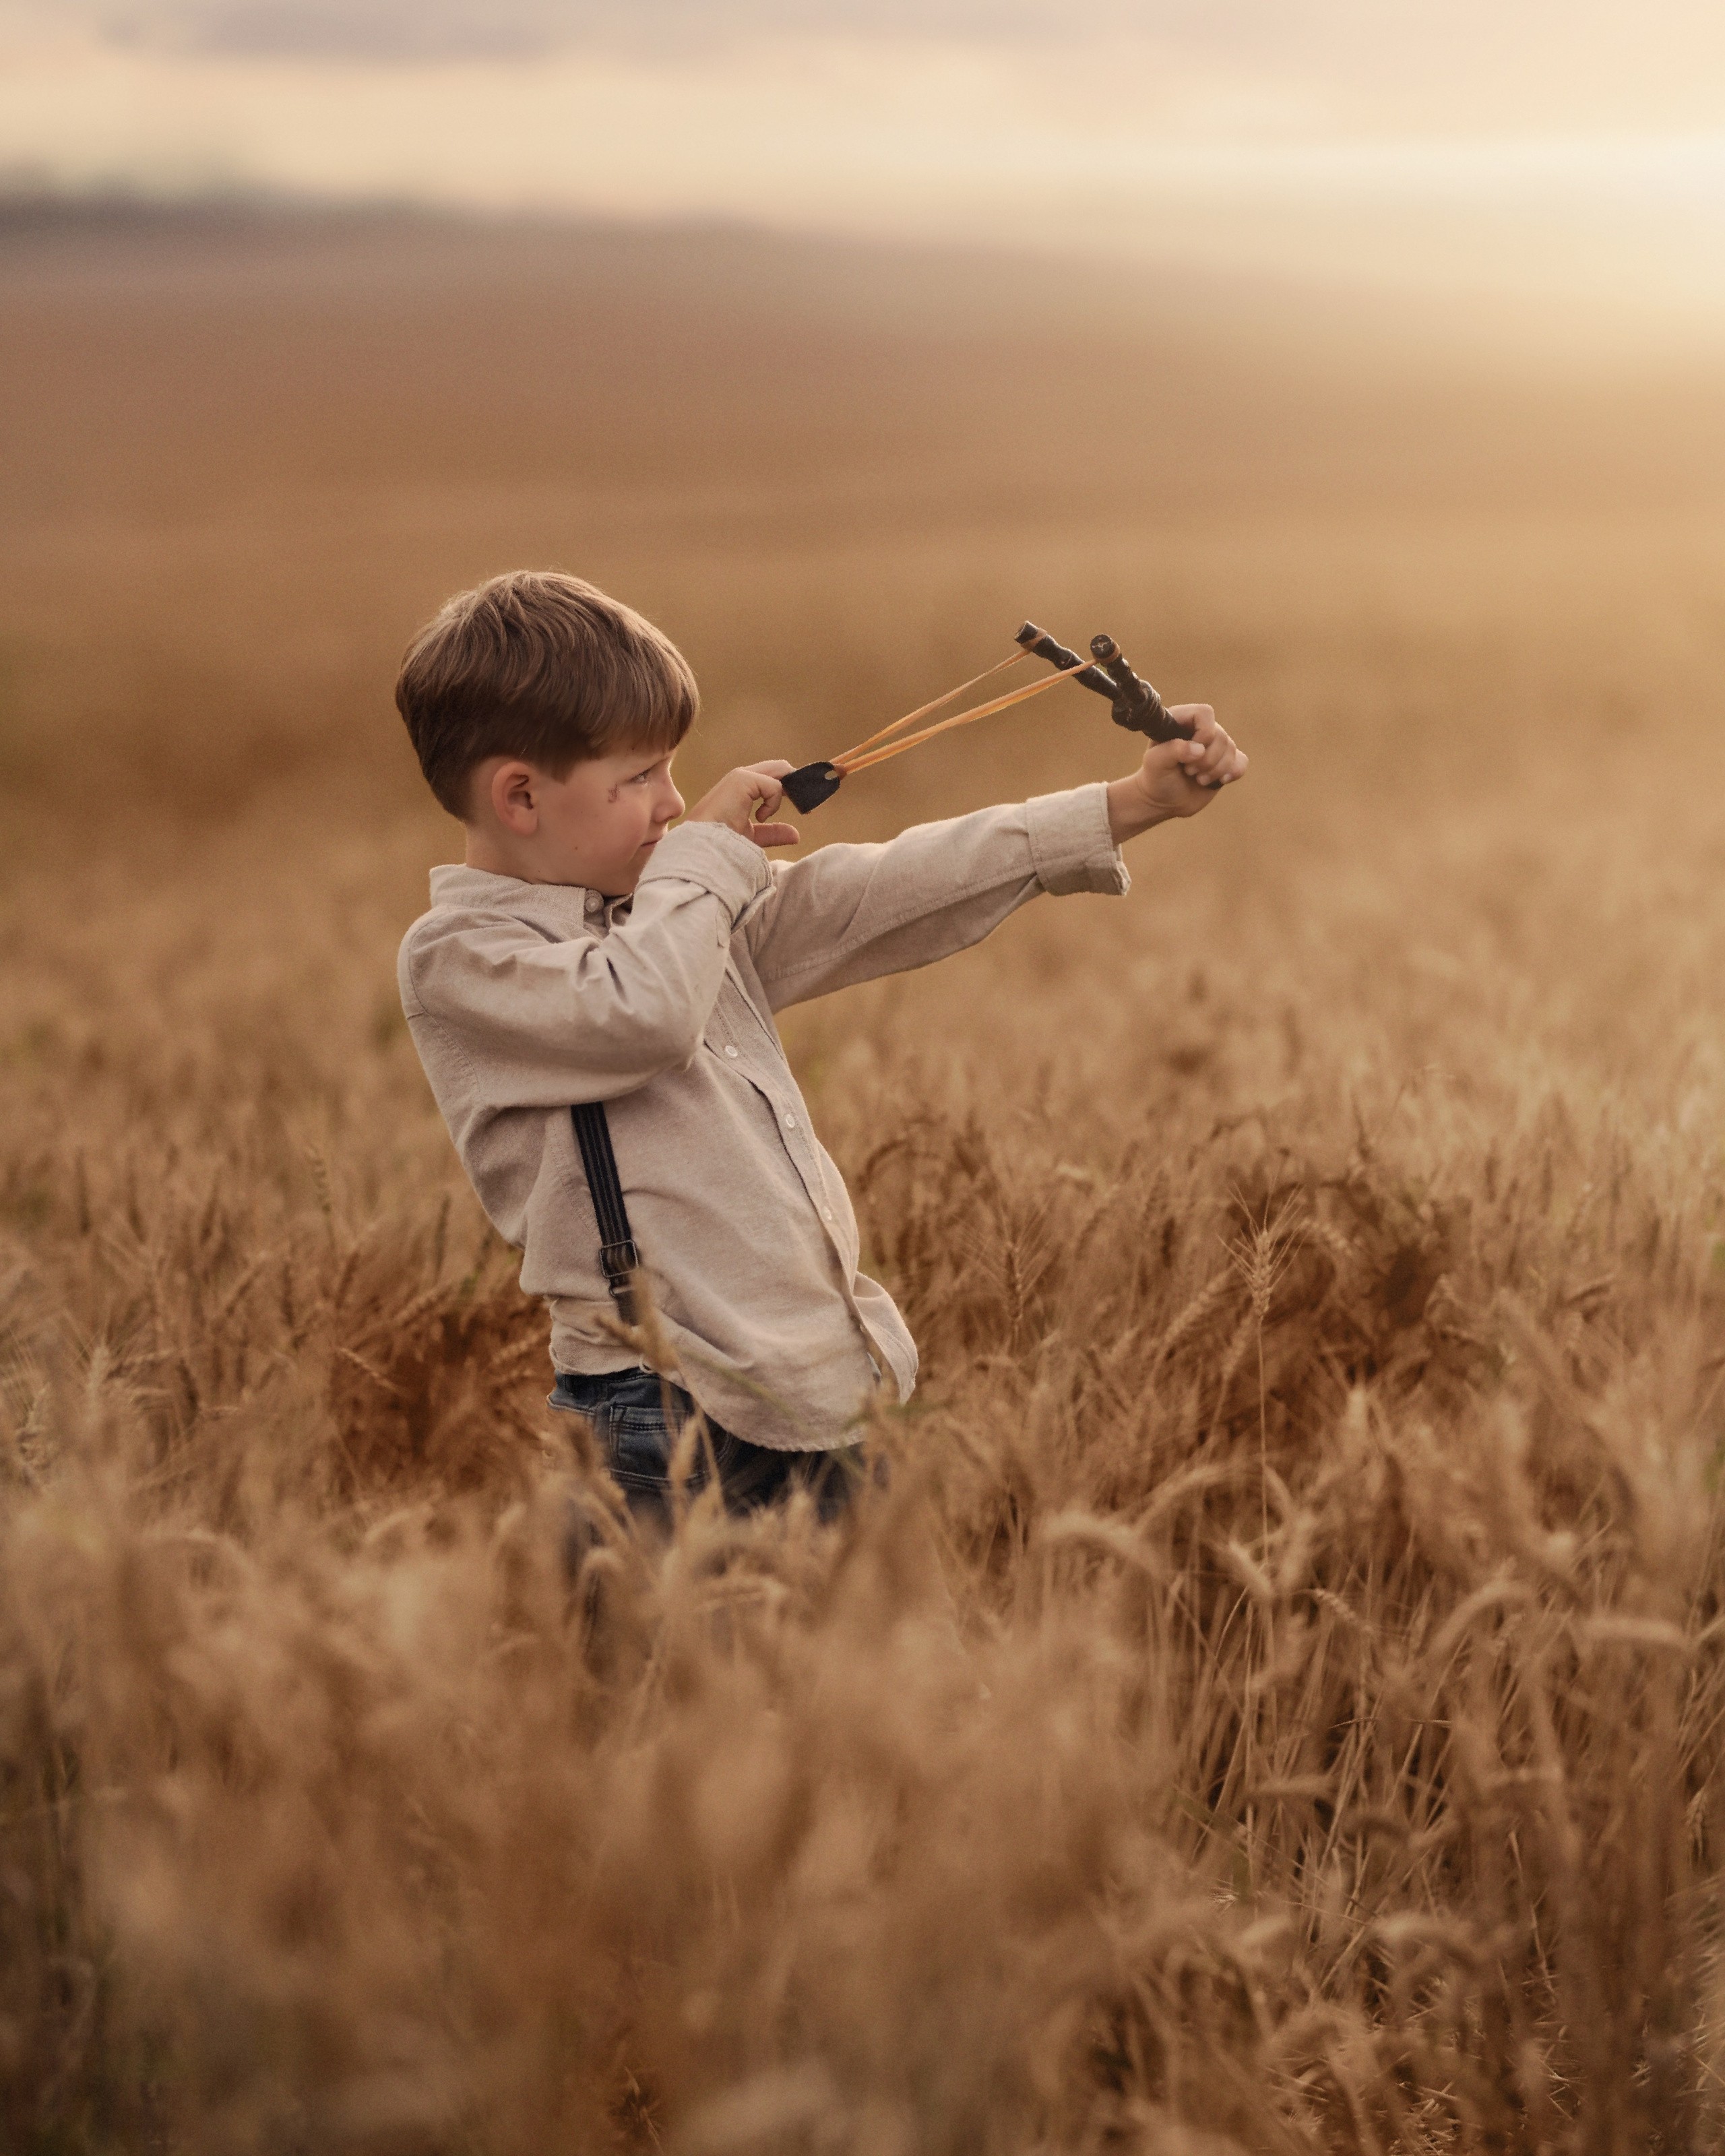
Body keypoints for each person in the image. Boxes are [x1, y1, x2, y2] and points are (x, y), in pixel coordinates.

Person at [395, 571, 1246, 1527]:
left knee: (876, 1675)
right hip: (654, 1421)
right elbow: (640, 1013)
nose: (675, 805)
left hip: (821, 1390)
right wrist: (705, 866)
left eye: (673, 771)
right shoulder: (461, 962)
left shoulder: (673, 906)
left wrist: (1128, 803)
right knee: (672, 1675)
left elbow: (881, 890)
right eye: (638, 779)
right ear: (519, 797)